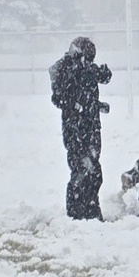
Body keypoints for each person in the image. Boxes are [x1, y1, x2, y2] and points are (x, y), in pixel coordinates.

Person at [50, 36, 112, 221]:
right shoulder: (68, 71)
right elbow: (59, 99)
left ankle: (90, 209)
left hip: (91, 127)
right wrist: (78, 108)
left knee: (93, 171)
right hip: (76, 129)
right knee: (82, 169)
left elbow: (102, 78)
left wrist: (96, 105)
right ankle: (77, 212)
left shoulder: (85, 70)